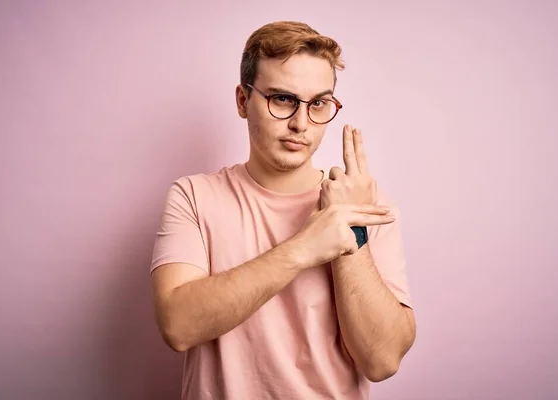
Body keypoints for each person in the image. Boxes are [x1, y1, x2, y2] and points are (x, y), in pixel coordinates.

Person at [150, 20, 416, 400]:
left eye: (319, 103)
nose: (300, 123)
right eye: (282, 99)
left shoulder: (368, 206)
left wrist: (350, 229)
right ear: (244, 101)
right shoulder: (193, 196)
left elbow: (383, 360)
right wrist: (304, 248)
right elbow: (178, 326)